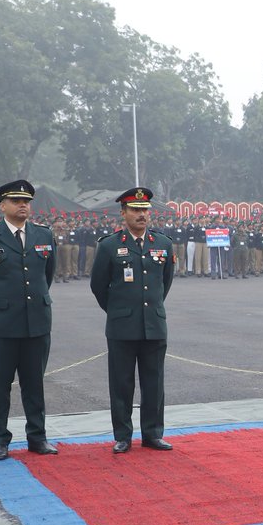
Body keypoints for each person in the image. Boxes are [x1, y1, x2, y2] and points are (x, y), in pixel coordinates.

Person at [0, 180, 58, 461]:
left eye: (26, 202)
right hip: (1, 325)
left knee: (34, 384)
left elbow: (46, 276)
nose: (22, 206)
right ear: (2, 206)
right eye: (16, 201)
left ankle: (37, 437)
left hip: (36, 323)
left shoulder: (44, 235)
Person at [90, 187, 175, 454]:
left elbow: (165, 282)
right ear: (123, 213)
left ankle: (152, 434)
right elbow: (98, 286)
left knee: (154, 383)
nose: (141, 215)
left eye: (145, 210)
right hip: (122, 325)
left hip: (154, 324)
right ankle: (123, 436)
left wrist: (149, 309)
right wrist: (119, 310)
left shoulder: (163, 243)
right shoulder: (109, 245)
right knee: (121, 383)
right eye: (136, 210)